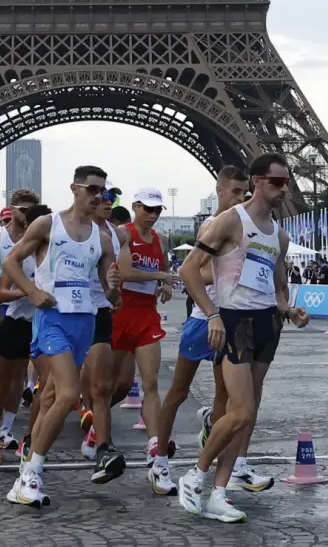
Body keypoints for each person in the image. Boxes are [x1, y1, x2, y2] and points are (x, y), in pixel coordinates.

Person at [179, 152, 309, 521]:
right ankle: (195, 475)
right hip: (234, 320)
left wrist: (289, 310)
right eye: (278, 182)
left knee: (247, 417)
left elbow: (278, 286)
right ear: (257, 181)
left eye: (288, 182)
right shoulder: (229, 222)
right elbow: (190, 271)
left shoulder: (279, 235)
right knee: (241, 411)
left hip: (267, 323)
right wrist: (213, 314)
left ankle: (219, 491)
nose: (285, 189)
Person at [1, 163, 118, 507]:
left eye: (103, 191)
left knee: (52, 398)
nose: (99, 196)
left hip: (85, 320)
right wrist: (33, 292)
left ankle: (25, 469)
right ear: (75, 188)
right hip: (52, 316)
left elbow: (110, 294)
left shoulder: (104, 238)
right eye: (93, 189)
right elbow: (10, 262)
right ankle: (33, 471)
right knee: (68, 394)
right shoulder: (47, 224)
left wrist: (114, 289)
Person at [153, 165, 252, 498]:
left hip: (229, 319)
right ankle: (160, 461)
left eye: (245, 192)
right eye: (235, 192)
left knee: (225, 395)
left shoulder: (242, 225)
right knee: (179, 392)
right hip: (204, 318)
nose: (241, 198)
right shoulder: (214, 225)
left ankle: (218, 456)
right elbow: (196, 273)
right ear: (220, 191)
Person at [110, 187, 173, 475]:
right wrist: (161, 276)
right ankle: (95, 421)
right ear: (135, 206)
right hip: (120, 313)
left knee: (150, 384)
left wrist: (167, 284)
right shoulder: (123, 234)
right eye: (148, 209)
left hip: (146, 315)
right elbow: (125, 273)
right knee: (118, 385)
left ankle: (155, 443)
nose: (153, 215)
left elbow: (163, 264)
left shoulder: (158, 238)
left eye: (157, 210)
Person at [0, 192, 41, 463]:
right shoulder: (9, 246)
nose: (27, 216)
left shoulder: (51, 245)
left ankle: (24, 437)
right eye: (23, 210)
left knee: (35, 384)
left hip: (46, 322)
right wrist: (29, 292)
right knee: (2, 379)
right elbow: (0, 288)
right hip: (14, 318)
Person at [79, 185, 123, 477]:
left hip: (100, 310)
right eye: (103, 198)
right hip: (70, 312)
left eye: (112, 198)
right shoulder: (65, 230)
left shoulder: (114, 236)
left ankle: (103, 448)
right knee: (58, 392)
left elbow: (113, 278)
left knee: (103, 386)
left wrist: (114, 293)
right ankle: (32, 455)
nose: (108, 203)